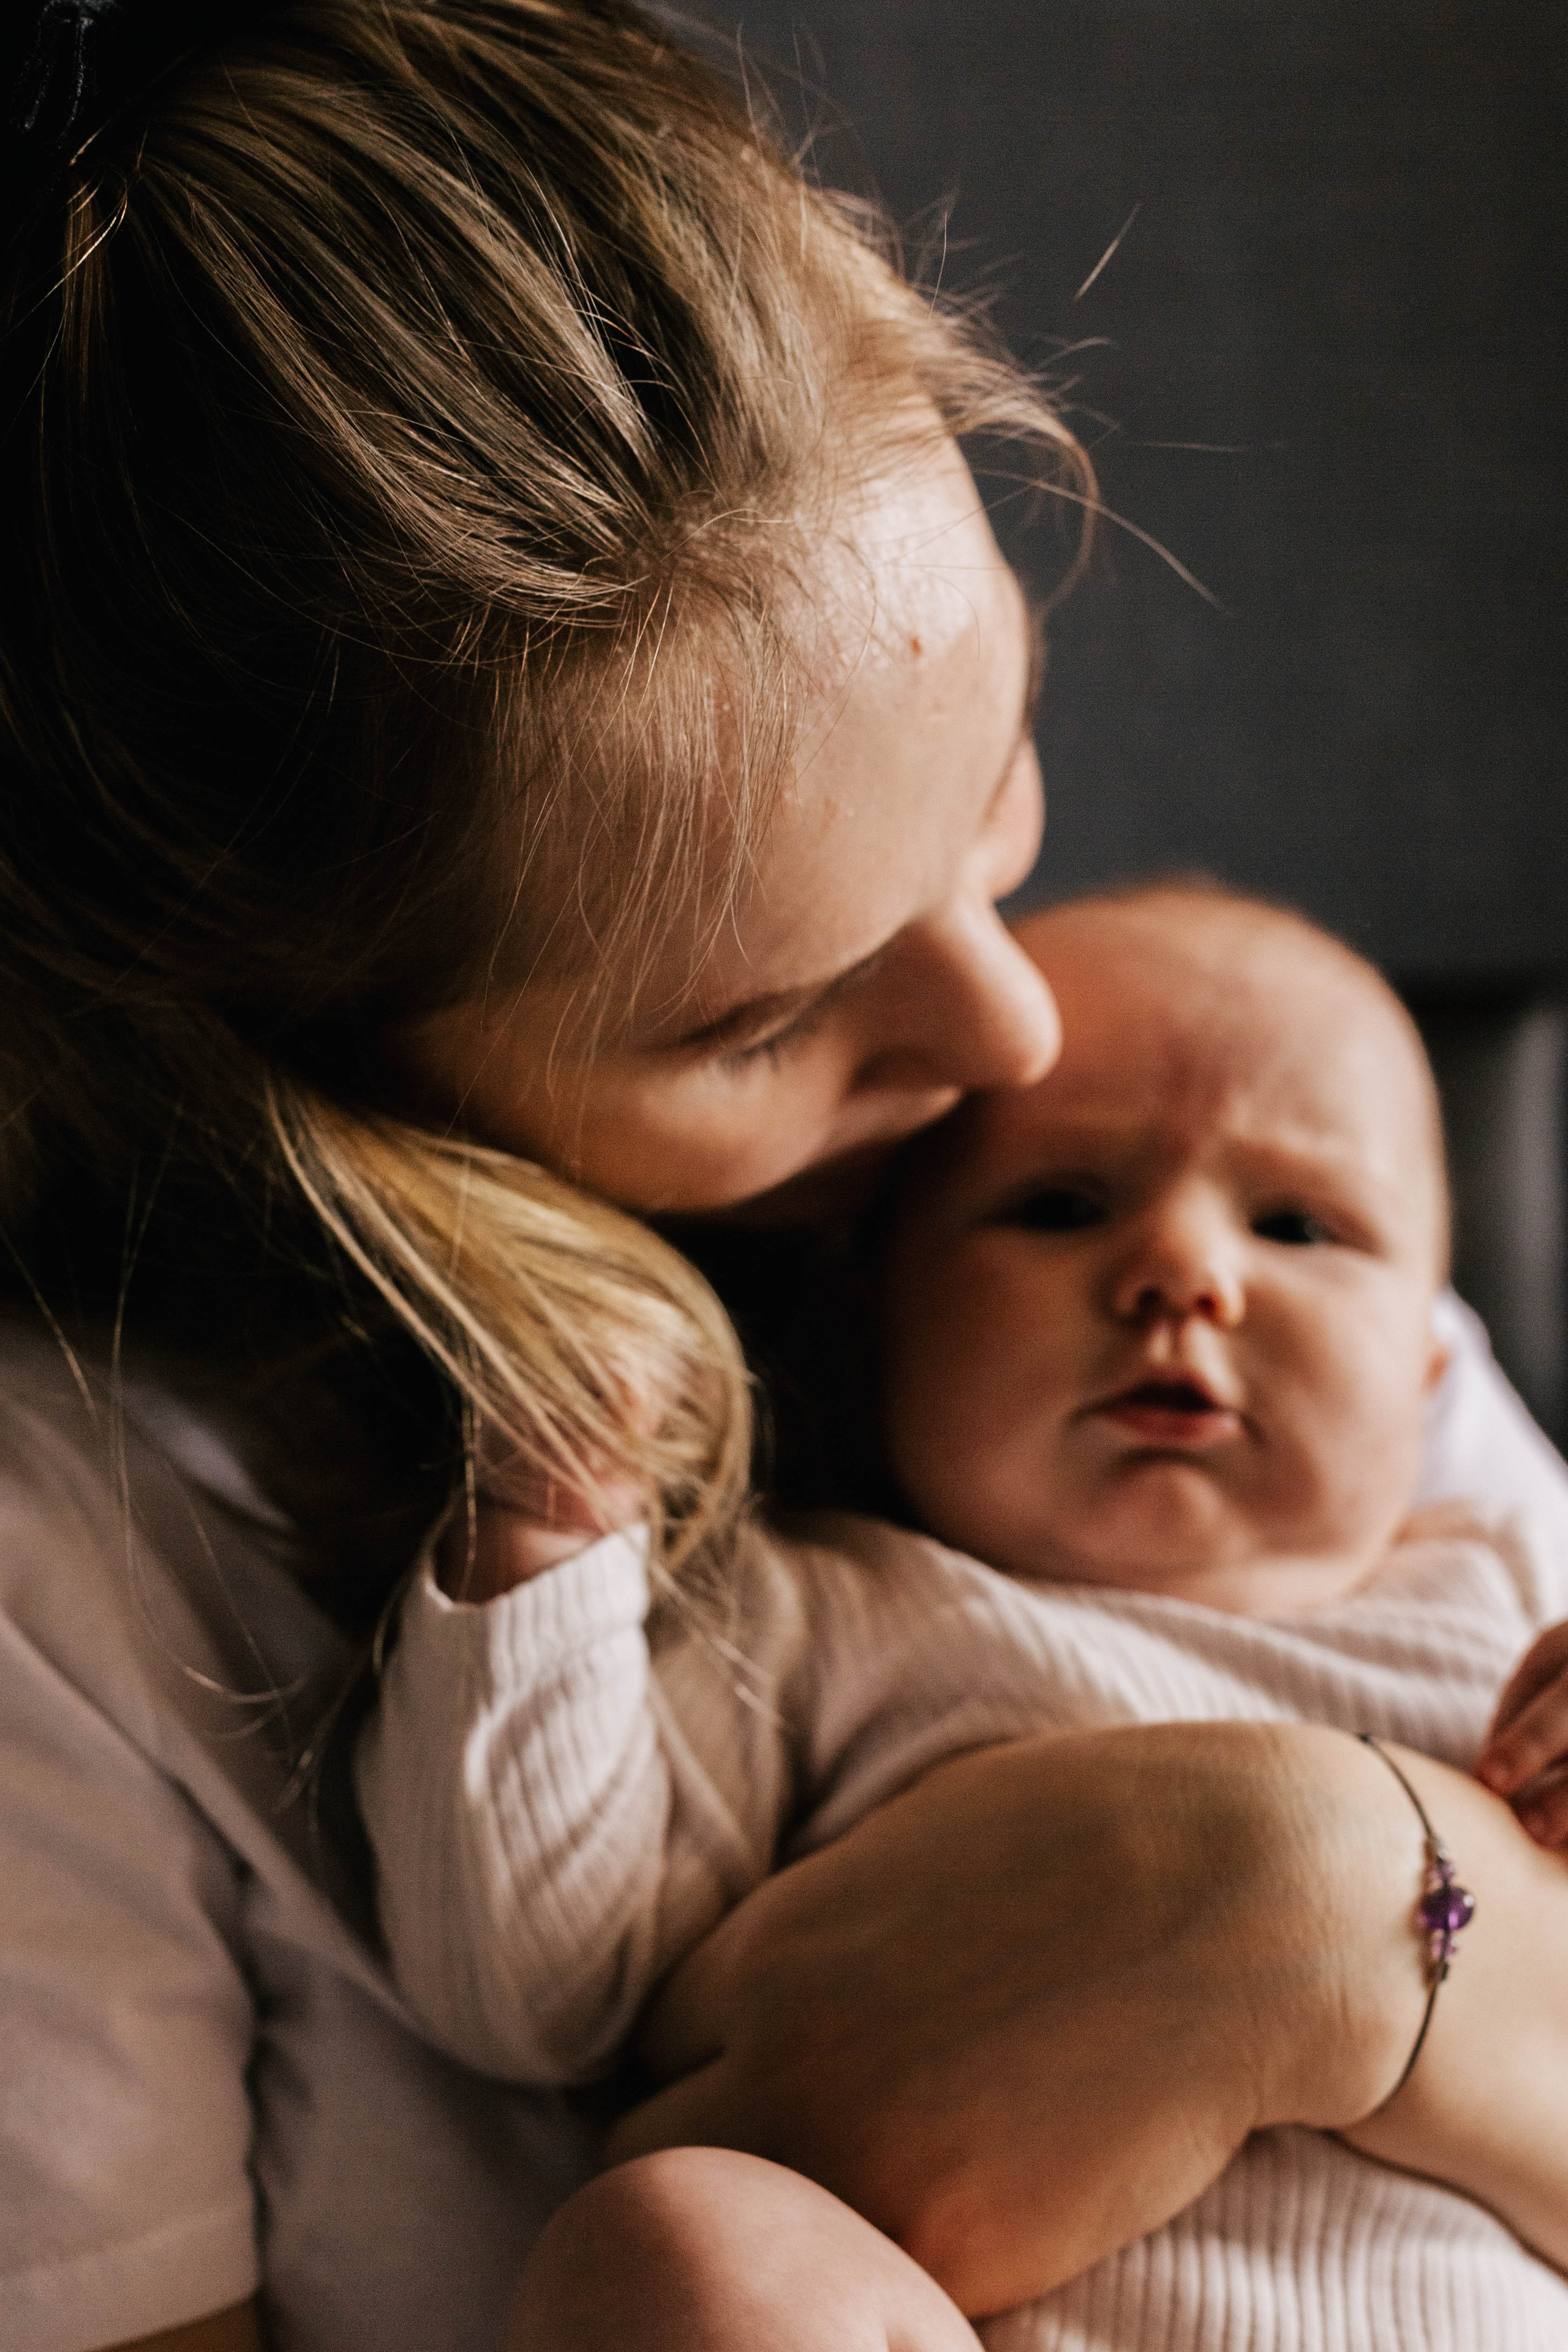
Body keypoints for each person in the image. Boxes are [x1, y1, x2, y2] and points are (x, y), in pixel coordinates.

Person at [3, 7, 1568, 2351]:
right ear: (311, 1076)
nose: (1013, 1040)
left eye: (1000, 773)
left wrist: (1345, 1896)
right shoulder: (82, 1571)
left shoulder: (1243, 1231)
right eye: (757, 1017)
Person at [356, 884, 1568, 2348]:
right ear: (883, 1323)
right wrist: (547, 1549)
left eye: (1298, 1224)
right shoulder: (816, 1614)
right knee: (678, 2242)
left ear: (1433, 1373)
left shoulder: (1504, 1601)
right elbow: (536, 1989)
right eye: (1059, 1206)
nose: (1181, 1274)